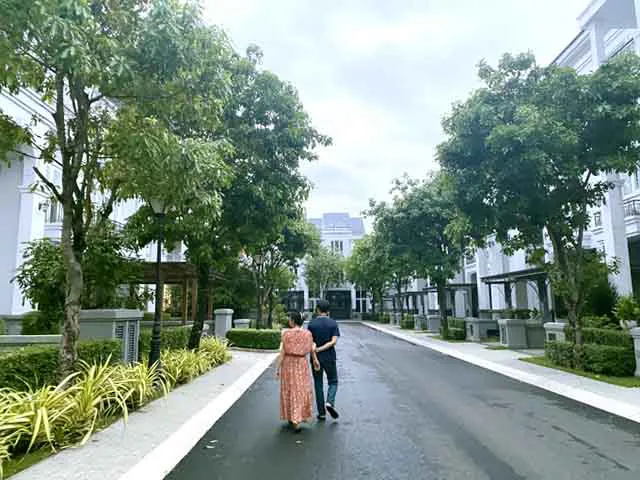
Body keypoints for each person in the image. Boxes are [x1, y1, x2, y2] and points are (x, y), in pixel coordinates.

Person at [276, 311, 320, 432]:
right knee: (301, 390)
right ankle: (298, 416)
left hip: (288, 363)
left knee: (289, 389)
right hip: (302, 363)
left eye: (290, 319)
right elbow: (311, 349)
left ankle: (292, 417)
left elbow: (283, 352)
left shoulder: (286, 334)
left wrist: (278, 367)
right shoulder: (308, 334)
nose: (288, 320)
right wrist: (315, 360)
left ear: (293, 321)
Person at [308, 299, 340, 421]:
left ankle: (321, 413)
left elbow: (310, 343)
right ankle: (330, 402)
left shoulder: (312, 324)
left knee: (318, 384)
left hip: (315, 358)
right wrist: (322, 349)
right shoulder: (333, 323)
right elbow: (333, 341)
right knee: (333, 381)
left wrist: (316, 353)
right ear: (328, 311)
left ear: (317, 309)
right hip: (329, 357)